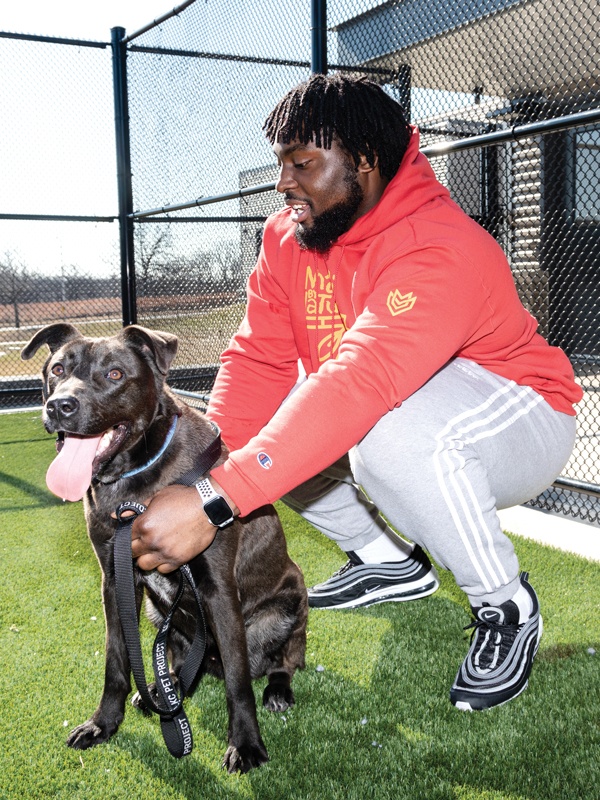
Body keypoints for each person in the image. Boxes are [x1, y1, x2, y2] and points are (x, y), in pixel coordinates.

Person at [131, 74, 582, 711]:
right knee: (272, 437)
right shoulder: (289, 235)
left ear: (365, 162)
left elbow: (360, 383)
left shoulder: (438, 244)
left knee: (377, 431)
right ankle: (387, 560)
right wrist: (205, 470)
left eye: (302, 163)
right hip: (396, 409)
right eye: (281, 163)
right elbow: (258, 357)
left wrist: (209, 502)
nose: (284, 181)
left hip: (522, 417)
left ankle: (505, 600)